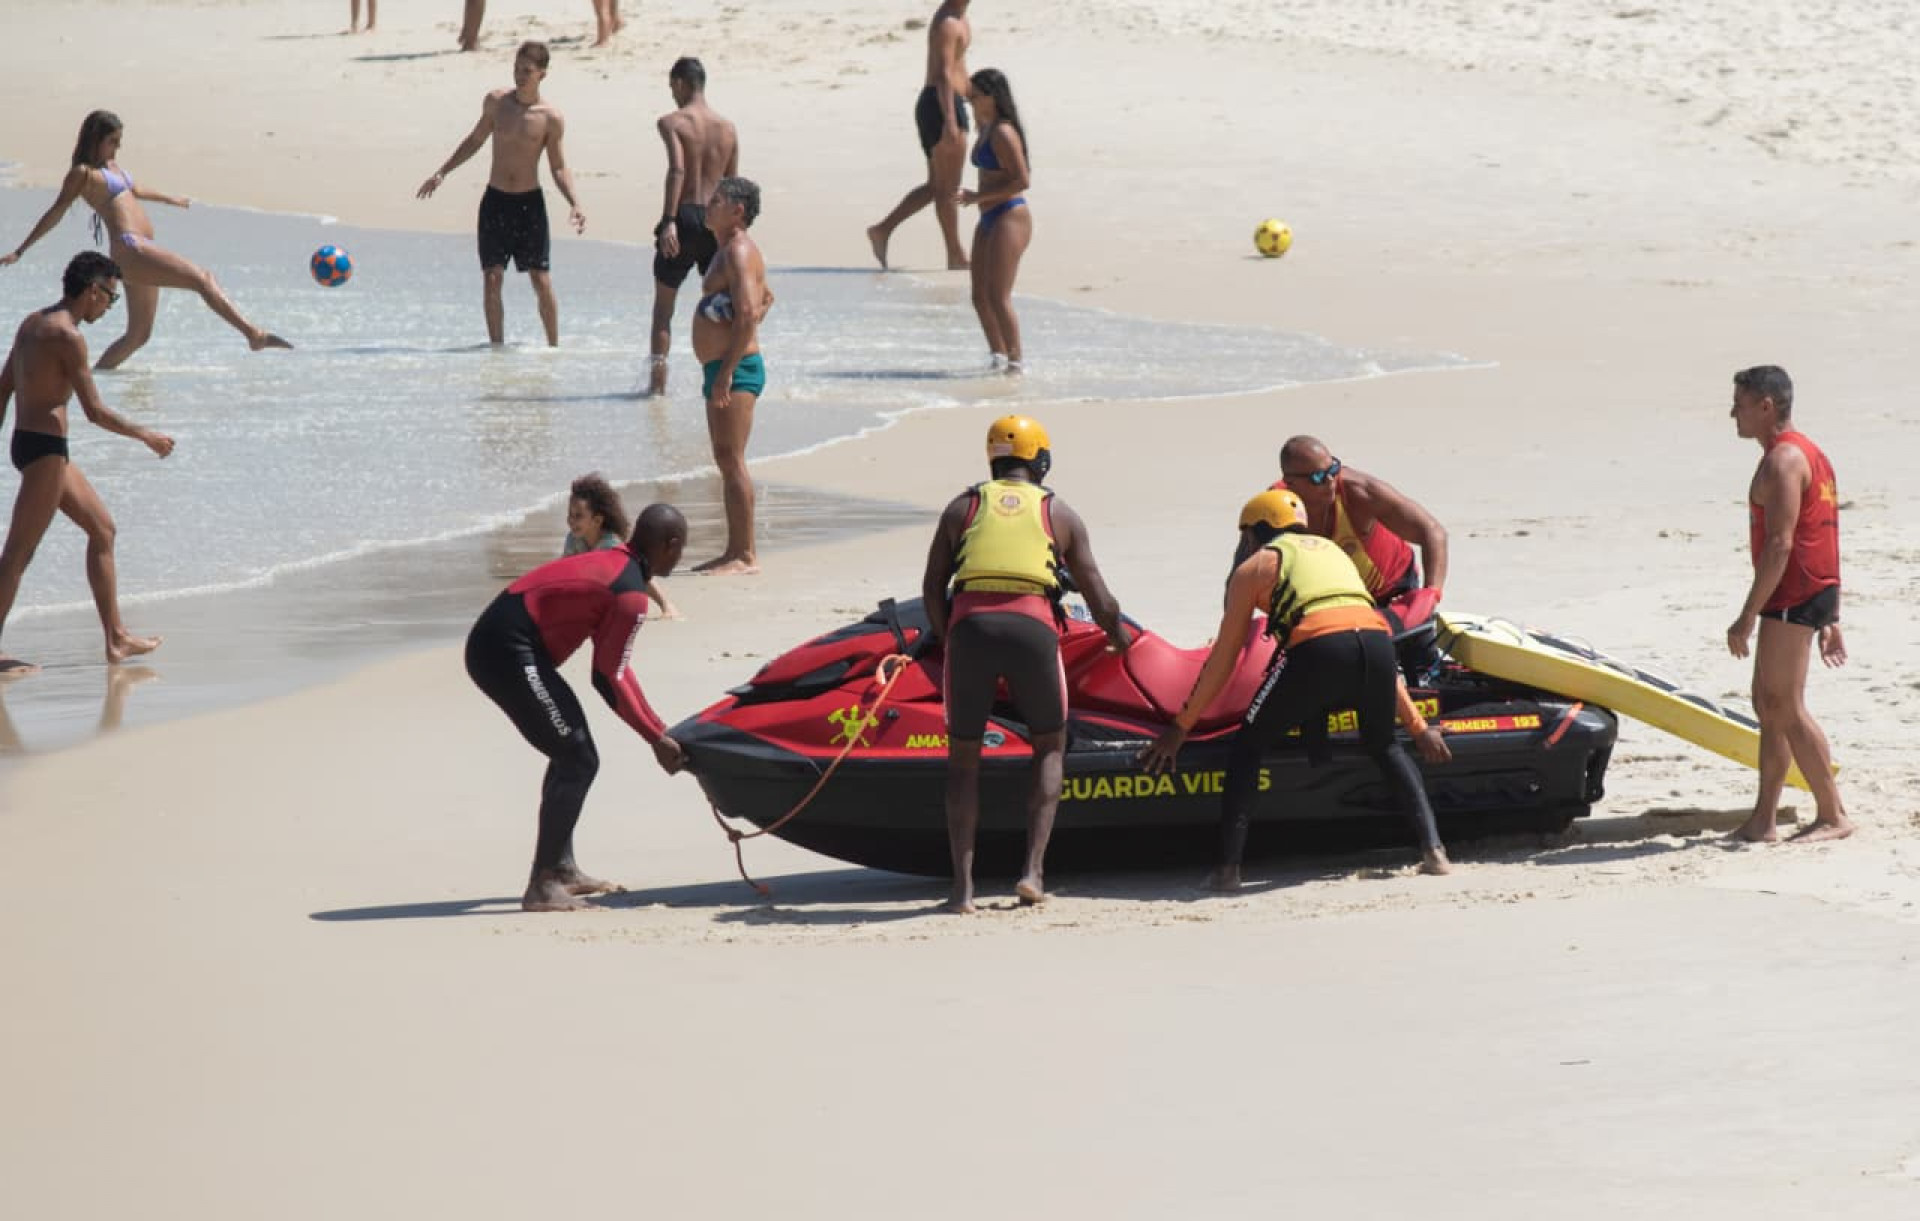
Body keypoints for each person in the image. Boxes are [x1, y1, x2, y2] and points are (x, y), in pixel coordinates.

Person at [1139, 489, 1454, 887]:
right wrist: (1417, 728)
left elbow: (1224, 658)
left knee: (1249, 745)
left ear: (1255, 532)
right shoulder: (1332, 553)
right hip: (1377, 643)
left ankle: (1228, 870)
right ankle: (1435, 852)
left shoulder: (1256, 566)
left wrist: (1181, 727)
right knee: (1385, 745)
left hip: (1320, 649)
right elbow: (1360, 626)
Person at [921, 415, 1131, 913]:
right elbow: (1099, 596)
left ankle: (962, 890)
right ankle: (1033, 872)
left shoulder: (963, 506)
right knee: (1049, 746)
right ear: (1041, 461)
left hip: (970, 630)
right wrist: (1118, 638)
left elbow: (932, 586)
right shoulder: (1059, 514)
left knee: (963, 761)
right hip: (1033, 631)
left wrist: (950, 639)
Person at [465, 502, 690, 912]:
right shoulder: (629, 593)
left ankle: (561, 868)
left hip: (505, 644)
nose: (681, 556)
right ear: (670, 545)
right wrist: (655, 737)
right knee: (576, 758)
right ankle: (543, 884)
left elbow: (615, 668)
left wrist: (659, 729)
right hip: (504, 650)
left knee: (571, 750)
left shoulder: (619, 568)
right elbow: (607, 680)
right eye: (681, 548)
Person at [0, 111, 291, 371]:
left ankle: (95, 379)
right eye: (112, 141)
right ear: (95, 138)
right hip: (131, 248)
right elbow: (56, 211)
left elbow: (135, 189)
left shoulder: (113, 166)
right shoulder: (83, 174)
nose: (116, 148)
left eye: (118, 142)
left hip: (139, 251)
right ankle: (253, 334)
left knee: (138, 336)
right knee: (203, 278)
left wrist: (170, 199)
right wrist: (21, 250)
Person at [0, 253, 175, 676]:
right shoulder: (69, 337)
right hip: (46, 452)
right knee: (17, 555)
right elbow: (94, 411)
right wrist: (146, 435)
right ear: (93, 290)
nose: (108, 308)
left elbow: (3, 387)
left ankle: (116, 638)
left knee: (102, 529)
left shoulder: (33, 323)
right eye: (110, 299)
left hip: (33, 444)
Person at [1725, 365, 1852, 844]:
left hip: (1792, 592)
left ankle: (1833, 814)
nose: (1732, 413)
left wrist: (1745, 618)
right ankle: (1764, 819)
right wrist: (1832, 612)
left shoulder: (1783, 461)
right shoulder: (1807, 453)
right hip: (1806, 591)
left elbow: (1780, 545)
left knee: (1786, 706)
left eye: (1739, 403)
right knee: (1767, 704)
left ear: (1766, 406)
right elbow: (1824, 532)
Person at [417, 41, 586, 348]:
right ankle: (496, 351)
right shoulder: (496, 103)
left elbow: (558, 166)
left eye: (527, 71)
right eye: (516, 69)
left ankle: (554, 349)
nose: (520, 76)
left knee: (541, 279)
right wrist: (443, 171)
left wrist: (574, 202)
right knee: (492, 277)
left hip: (529, 205)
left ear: (542, 74)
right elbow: (475, 140)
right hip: (496, 202)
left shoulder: (551, 118)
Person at [1275, 435, 1449, 681]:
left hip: (1394, 592)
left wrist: (1432, 593)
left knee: (1423, 671)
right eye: (1317, 478)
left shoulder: (1359, 493)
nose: (1330, 481)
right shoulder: (1274, 512)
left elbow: (1432, 532)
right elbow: (1243, 573)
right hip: (1340, 603)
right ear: (1290, 483)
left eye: (1333, 469)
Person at [690, 177, 772, 576]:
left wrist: (726, 370)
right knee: (725, 457)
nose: (709, 205)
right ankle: (734, 550)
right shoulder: (730, 251)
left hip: (734, 369)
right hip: (725, 366)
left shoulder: (738, 250)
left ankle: (744, 555)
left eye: (717, 201)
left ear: (738, 210)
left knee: (732, 458)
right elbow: (765, 299)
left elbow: (748, 312)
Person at [646, 58, 739, 398]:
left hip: (683, 216)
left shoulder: (672, 122)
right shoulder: (728, 129)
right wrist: (734, 236)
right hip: (716, 222)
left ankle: (657, 390)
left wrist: (669, 221)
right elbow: (732, 186)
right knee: (721, 308)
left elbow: (677, 171)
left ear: (681, 84)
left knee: (663, 311)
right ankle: (722, 380)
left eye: (673, 87)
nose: (672, 94)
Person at [866, 0, 972, 271]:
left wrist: (977, 98)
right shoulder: (948, 22)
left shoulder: (960, 18)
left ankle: (882, 230)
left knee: (938, 185)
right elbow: (945, 75)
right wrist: (950, 120)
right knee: (947, 188)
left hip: (945, 102)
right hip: (941, 104)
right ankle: (955, 255)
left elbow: (959, 68)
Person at [957, 69, 1032, 373]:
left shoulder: (1003, 131)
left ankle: (1016, 363)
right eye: (970, 96)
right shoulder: (984, 127)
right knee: (979, 296)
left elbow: (1021, 180)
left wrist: (977, 197)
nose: (971, 101)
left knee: (999, 297)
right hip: (988, 215)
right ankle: (997, 356)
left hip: (1009, 214)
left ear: (992, 97)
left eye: (976, 96)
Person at [564, 472, 679, 619]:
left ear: (597, 520)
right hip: (596, 580)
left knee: (640, 571)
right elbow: (565, 569)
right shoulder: (573, 538)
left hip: (620, 580)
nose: (571, 521)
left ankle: (666, 604)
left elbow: (638, 577)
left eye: (578, 516)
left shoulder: (611, 544)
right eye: (570, 514)